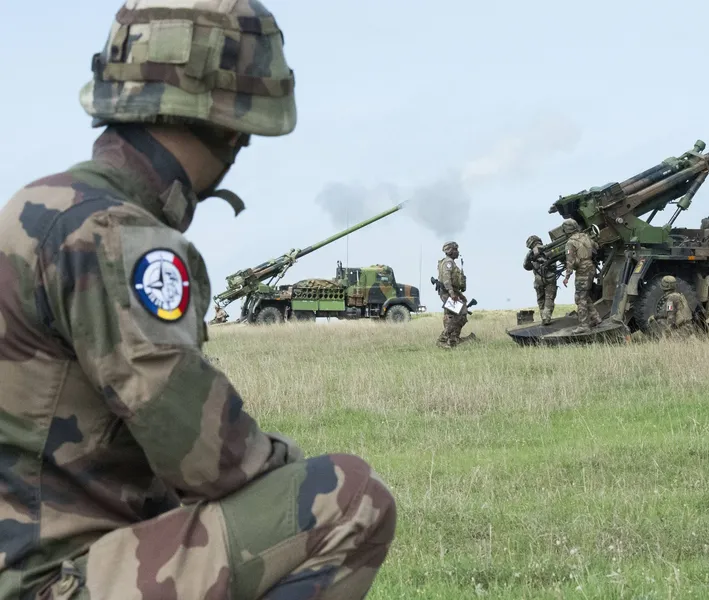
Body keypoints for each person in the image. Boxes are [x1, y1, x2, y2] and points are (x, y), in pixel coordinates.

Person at [0, 2, 396, 598]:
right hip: (54, 580)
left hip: (28, 553)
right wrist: (286, 468)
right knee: (349, 499)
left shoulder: (37, 208)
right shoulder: (117, 236)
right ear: (231, 126)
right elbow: (212, 458)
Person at [561, 218, 602, 333]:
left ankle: (584, 325)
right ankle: (596, 318)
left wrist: (567, 277)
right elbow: (597, 247)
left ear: (566, 230)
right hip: (591, 268)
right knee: (585, 295)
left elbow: (570, 262)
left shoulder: (570, 243)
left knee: (579, 298)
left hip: (582, 271)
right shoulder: (585, 236)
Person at [436, 241, 475, 348]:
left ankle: (453, 339)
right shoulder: (448, 263)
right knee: (459, 316)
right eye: (455, 250)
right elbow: (447, 279)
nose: (457, 252)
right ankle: (443, 339)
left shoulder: (450, 262)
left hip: (452, 292)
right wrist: (452, 294)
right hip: (448, 293)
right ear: (450, 251)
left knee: (453, 315)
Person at [523, 235, 557, 325]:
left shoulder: (530, 253)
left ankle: (544, 318)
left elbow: (526, 266)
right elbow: (555, 262)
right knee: (549, 299)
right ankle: (546, 318)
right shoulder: (548, 249)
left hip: (538, 280)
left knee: (541, 300)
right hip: (550, 278)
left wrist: (533, 262)